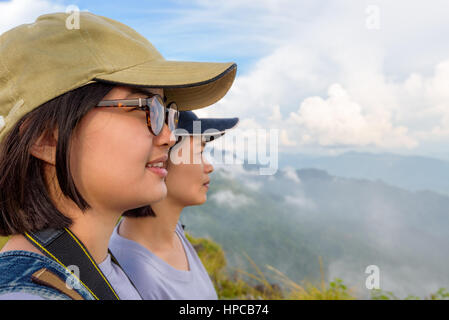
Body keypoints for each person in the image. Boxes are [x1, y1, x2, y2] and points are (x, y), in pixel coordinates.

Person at [0, 12, 236, 300]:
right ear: (48, 138)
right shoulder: (30, 294)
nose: (169, 137)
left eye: (168, 113)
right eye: (147, 109)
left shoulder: (99, 265)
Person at [109, 110, 239, 299]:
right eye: (200, 152)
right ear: (159, 161)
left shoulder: (172, 231)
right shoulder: (137, 281)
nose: (209, 166)